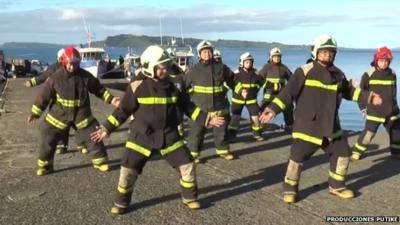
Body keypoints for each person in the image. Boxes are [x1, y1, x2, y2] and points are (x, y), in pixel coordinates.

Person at [90, 45, 224, 214]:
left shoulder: (173, 86)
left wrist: (206, 119)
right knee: (128, 170)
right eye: (162, 67)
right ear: (150, 68)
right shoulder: (137, 86)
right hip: (141, 137)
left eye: (167, 66)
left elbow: (188, 107)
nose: (166, 70)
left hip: (169, 136)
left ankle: (190, 198)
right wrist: (106, 128)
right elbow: (122, 111)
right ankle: (121, 203)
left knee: (187, 164)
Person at [260, 35, 383, 203]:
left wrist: (368, 97)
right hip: (307, 125)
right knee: (297, 157)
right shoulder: (304, 70)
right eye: (324, 51)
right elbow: (289, 92)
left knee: (343, 153)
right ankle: (290, 189)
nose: (328, 55)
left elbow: (349, 91)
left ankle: (336, 185)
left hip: (331, 125)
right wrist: (272, 109)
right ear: (316, 52)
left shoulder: (338, 74)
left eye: (331, 52)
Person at [27, 47, 120, 176]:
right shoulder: (55, 78)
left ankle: (100, 162)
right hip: (58, 116)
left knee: (94, 135)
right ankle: (45, 166)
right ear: (64, 62)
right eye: (70, 64)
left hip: (82, 116)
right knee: (46, 134)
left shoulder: (85, 76)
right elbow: (43, 96)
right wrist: (35, 113)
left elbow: (99, 90)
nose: (72, 67)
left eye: (75, 64)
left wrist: (112, 100)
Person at [184, 40, 243, 163]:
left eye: (209, 52)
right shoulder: (193, 71)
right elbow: (184, 87)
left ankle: (223, 151)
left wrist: (241, 90)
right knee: (196, 133)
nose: (207, 54)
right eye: (204, 52)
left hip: (219, 107)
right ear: (199, 55)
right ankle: (194, 154)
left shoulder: (221, 67)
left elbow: (233, 80)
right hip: (200, 109)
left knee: (221, 131)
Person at [25, 49, 88, 154]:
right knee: (76, 124)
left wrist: (31, 83)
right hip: (66, 102)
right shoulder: (65, 69)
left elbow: (42, 77)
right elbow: (43, 78)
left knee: (63, 124)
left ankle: (62, 146)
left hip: (62, 102)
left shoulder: (55, 67)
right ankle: (80, 144)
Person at [351, 46, 400, 160]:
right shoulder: (368, 74)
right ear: (376, 60)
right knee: (369, 133)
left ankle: (396, 152)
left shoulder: (392, 73)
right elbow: (361, 93)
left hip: (392, 110)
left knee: (397, 132)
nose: (384, 64)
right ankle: (357, 152)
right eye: (382, 61)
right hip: (375, 111)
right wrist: (363, 108)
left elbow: (393, 92)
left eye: (387, 61)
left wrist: (395, 106)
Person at [228, 52, 265, 141]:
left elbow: (263, 83)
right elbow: (230, 84)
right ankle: (231, 136)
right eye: (246, 62)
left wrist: (256, 89)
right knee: (235, 119)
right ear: (242, 63)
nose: (249, 64)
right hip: (237, 101)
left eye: (250, 62)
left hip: (252, 101)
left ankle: (257, 134)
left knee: (256, 118)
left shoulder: (256, 74)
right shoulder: (235, 74)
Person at [259, 47, 293, 130]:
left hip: (281, 93)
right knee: (264, 109)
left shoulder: (284, 68)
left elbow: (292, 79)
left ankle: (289, 125)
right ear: (271, 57)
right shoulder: (266, 67)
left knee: (288, 107)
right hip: (269, 94)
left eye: (278, 56)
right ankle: (259, 126)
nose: (277, 58)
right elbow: (259, 80)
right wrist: (267, 85)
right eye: (275, 56)